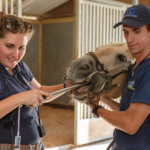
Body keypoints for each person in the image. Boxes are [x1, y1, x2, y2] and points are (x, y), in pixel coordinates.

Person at [0, 12, 72, 150]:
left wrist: (69, 86)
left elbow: (40, 92)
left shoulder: (19, 66)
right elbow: (28, 96)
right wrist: (22, 98)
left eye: (21, 48)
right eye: (9, 46)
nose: (16, 55)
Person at [87, 4, 150, 150]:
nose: (129, 38)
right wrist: (100, 98)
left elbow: (130, 124)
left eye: (136, 31)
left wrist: (96, 109)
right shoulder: (134, 67)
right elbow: (125, 112)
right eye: (126, 32)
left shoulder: (148, 71)